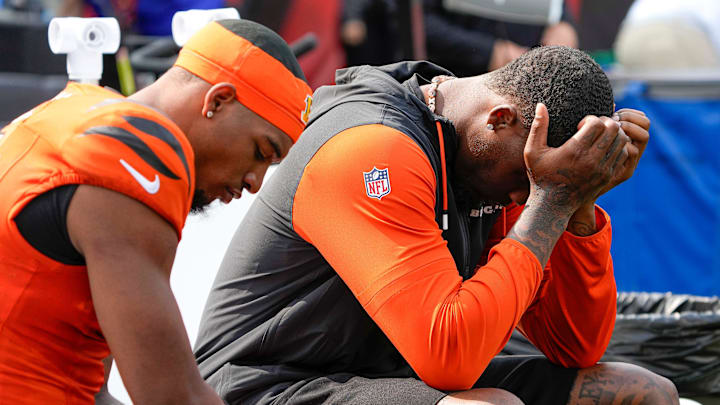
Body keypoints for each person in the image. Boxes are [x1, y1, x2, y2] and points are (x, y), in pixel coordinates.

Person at [193, 46, 679, 404]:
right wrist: (550, 200)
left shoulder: (496, 156)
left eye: (540, 186)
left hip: (383, 375)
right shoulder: (372, 148)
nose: (521, 197)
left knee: (642, 394)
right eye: (525, 181)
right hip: (263, 386)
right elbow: (449, 356)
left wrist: (578, 206)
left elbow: (574, 346)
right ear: (501, 118)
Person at [0, 19, 312, 404]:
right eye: (261, 153)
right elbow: (172, 396)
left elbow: (91, 386)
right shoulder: (135, 150)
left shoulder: (73, 109)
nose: (256, 183)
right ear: (217, 100)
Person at [424, 0, 578, 75]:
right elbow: (417, 21)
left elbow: (556, 7)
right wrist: (489, 51)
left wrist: (563, 23)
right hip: (457, 82)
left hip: (531, 80)